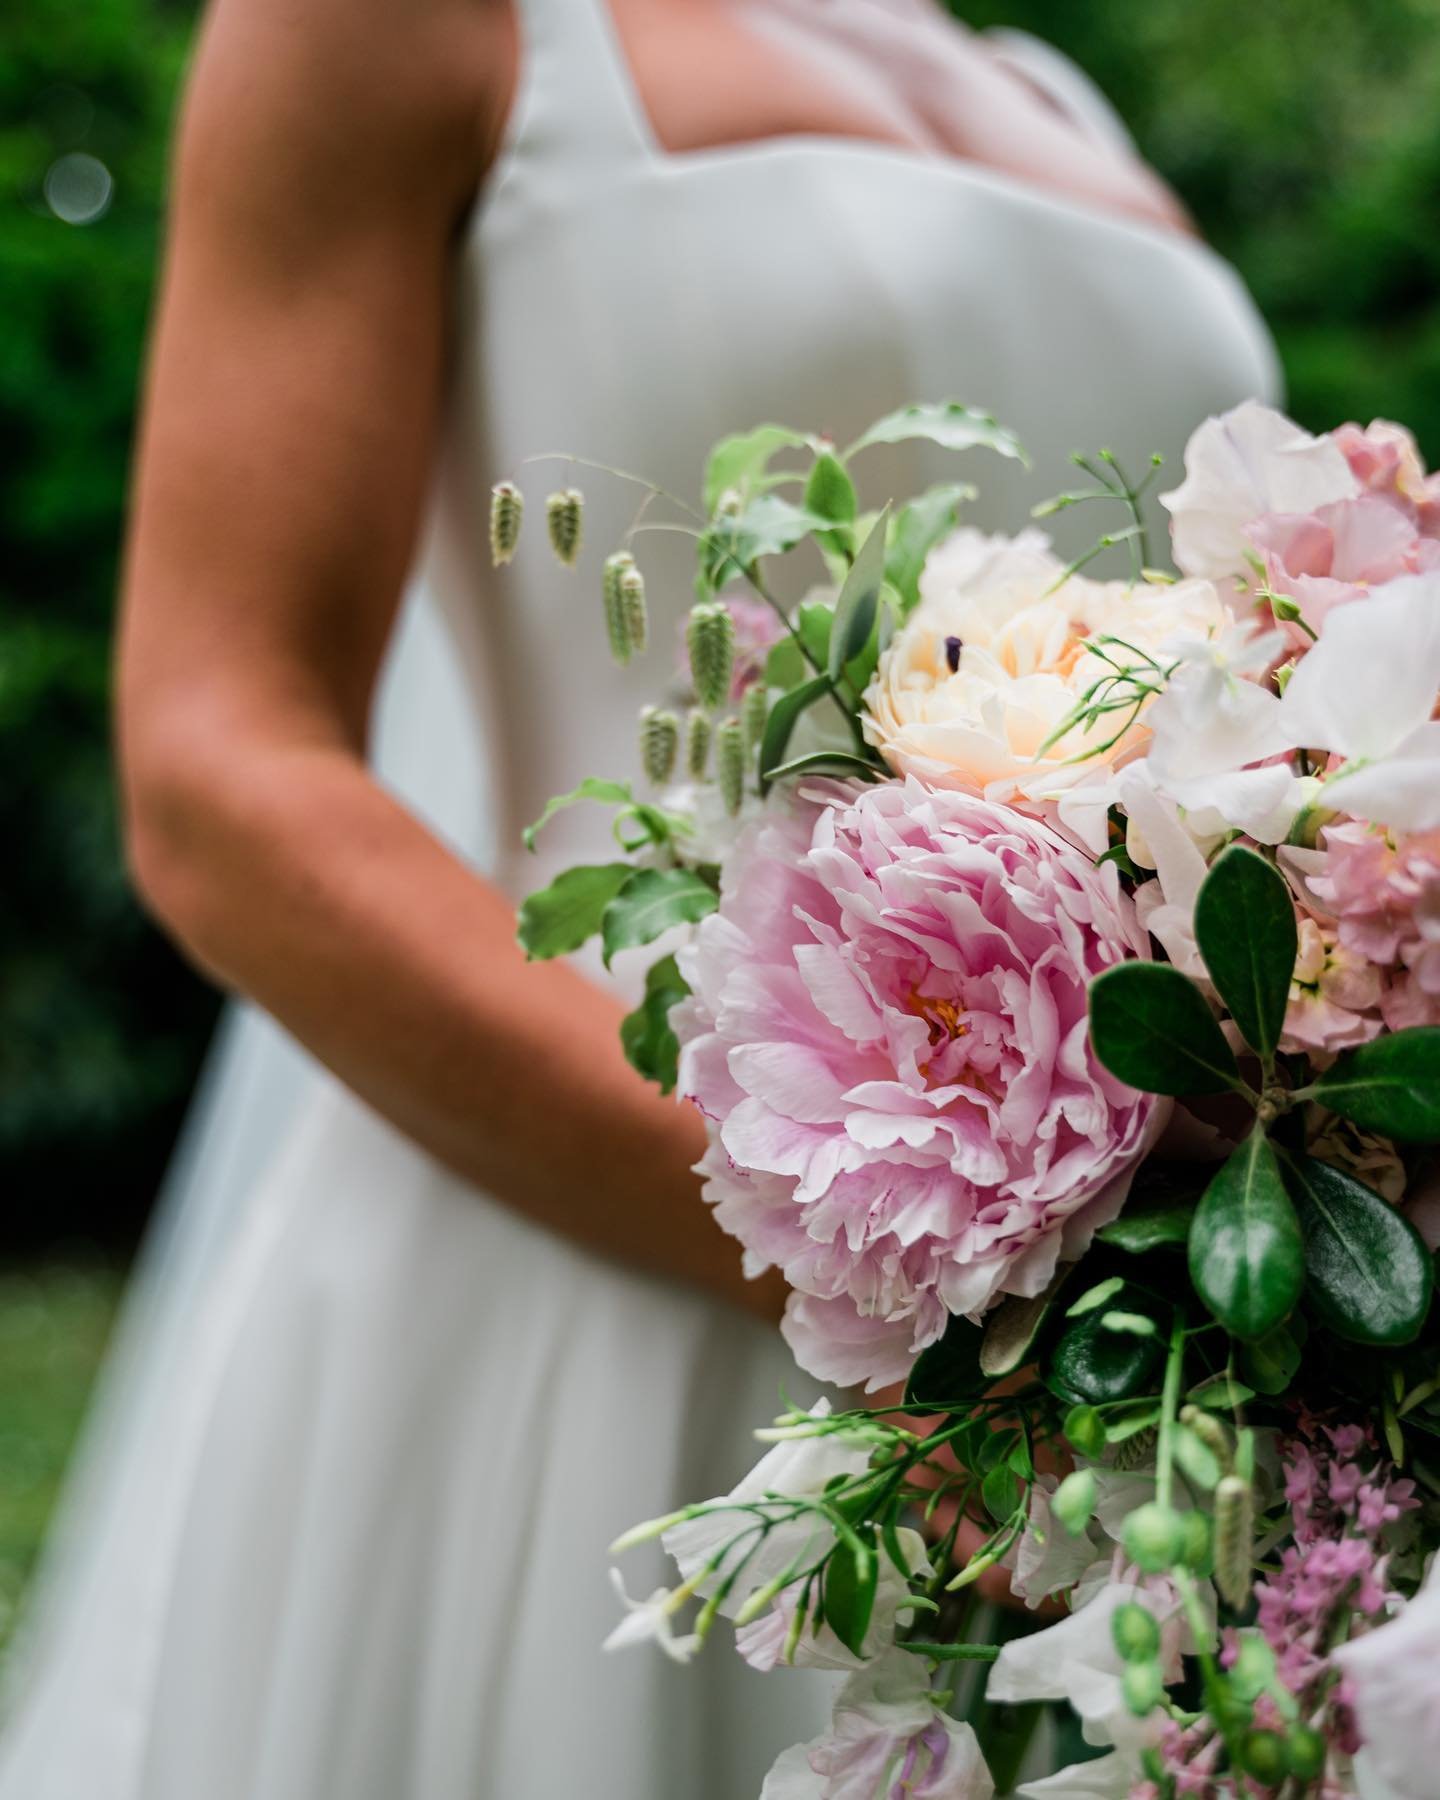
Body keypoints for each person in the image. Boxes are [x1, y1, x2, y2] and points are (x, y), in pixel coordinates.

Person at [0, 1, 1278, 1794]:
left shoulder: (1046, 90)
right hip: (587, 1260)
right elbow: (221, 775)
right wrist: (948, 1303)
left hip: (1155, 1345)